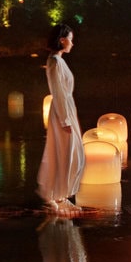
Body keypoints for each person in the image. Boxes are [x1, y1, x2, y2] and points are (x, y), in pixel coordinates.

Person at [37, 23, 85, 211]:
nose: (73, 43)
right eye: (71, 39)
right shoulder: (55, 61)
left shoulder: (59, 60)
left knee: (72, 153)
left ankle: (60, 195)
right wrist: (65, 120)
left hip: (66, 109)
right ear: (62, 40)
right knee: (66, 152)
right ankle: (55, 196)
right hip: (61, 111)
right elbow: (58, 92)